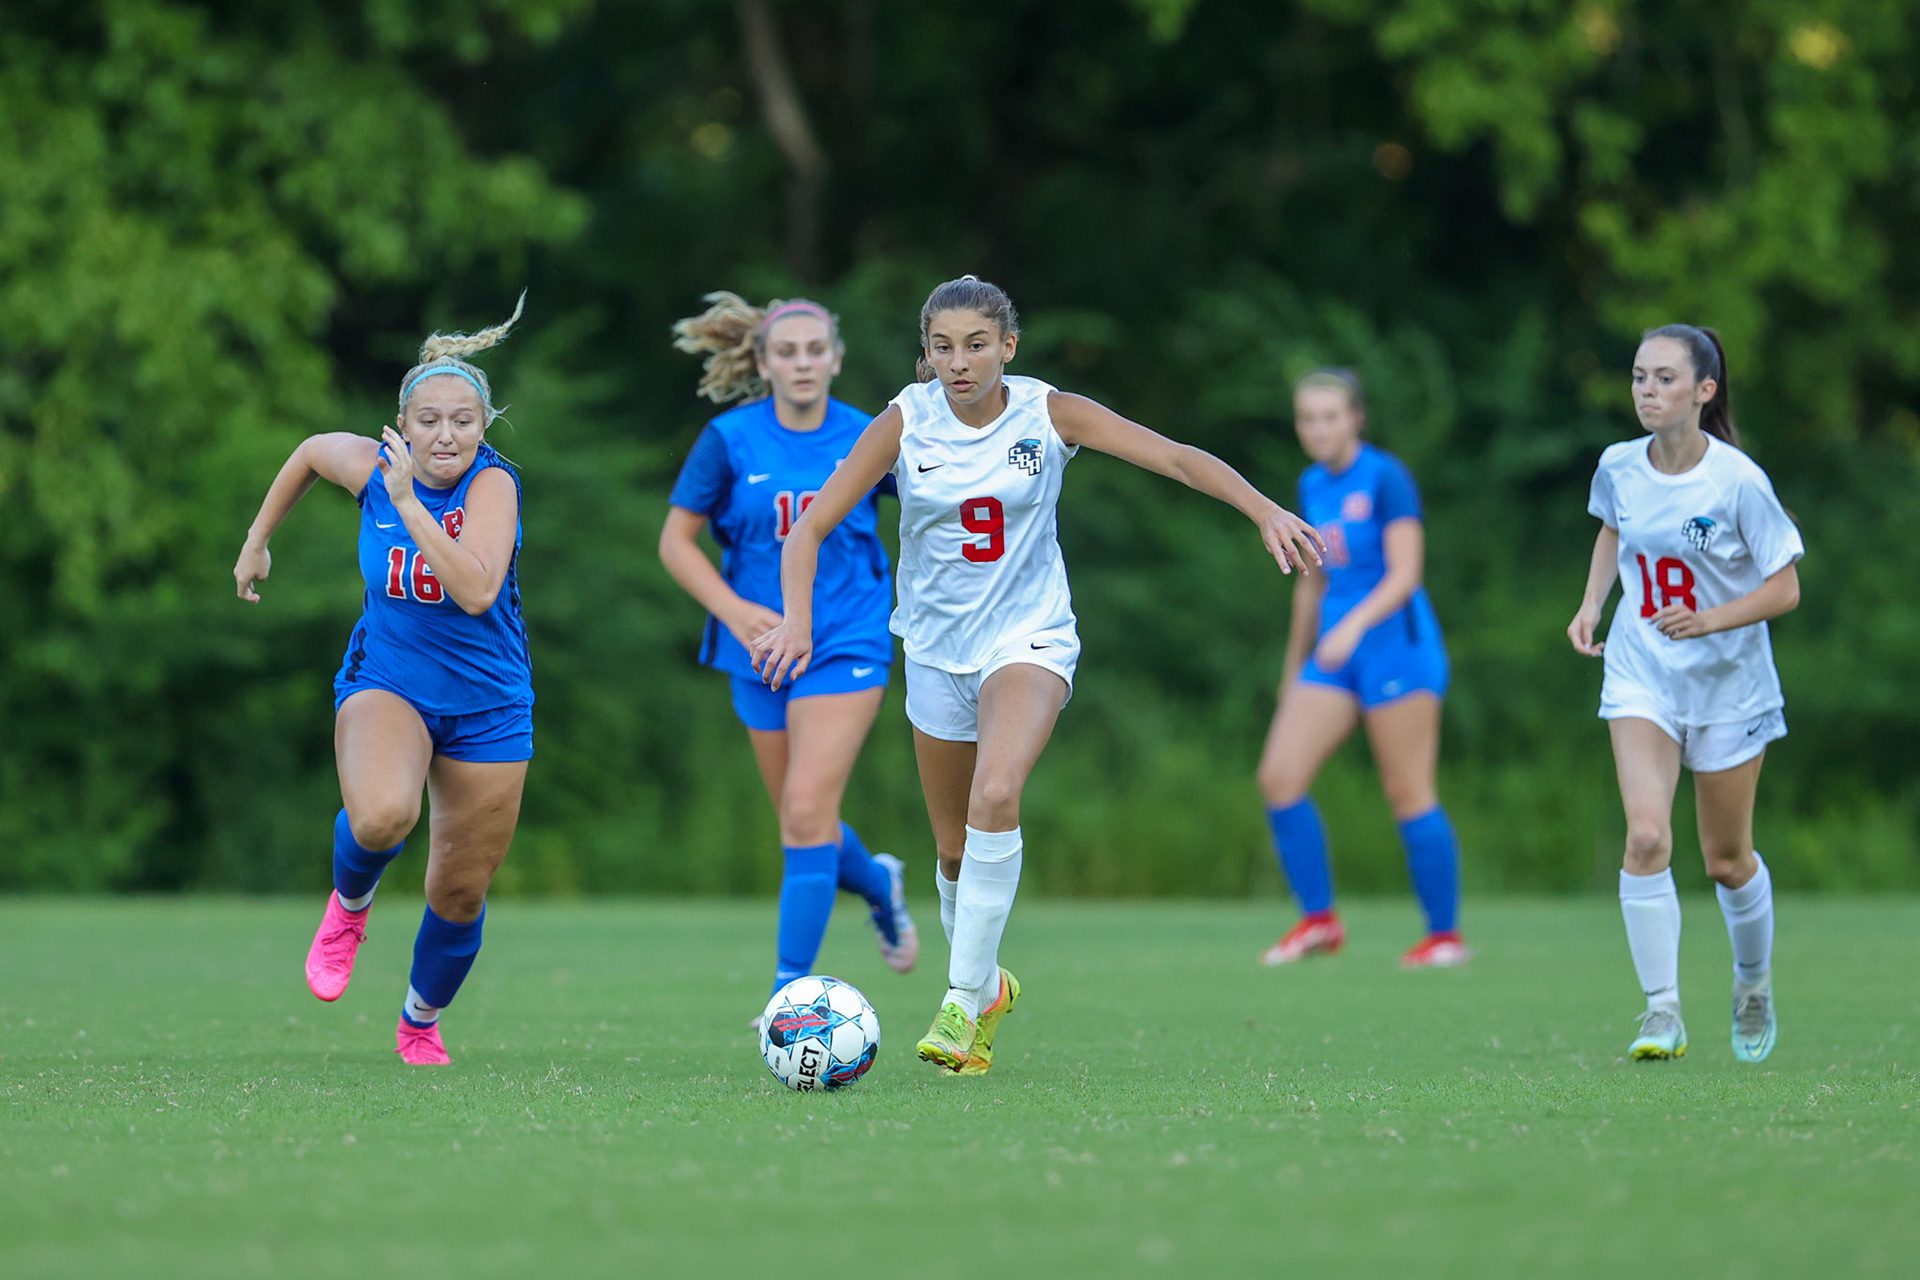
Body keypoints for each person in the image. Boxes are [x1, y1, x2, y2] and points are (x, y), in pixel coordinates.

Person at [750, 275, 1324, 1075]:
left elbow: (1176, 457)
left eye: (976, 345)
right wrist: (798, 618)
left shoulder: (1047, 413)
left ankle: (956, 1001)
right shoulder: (903, 422)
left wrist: (1261, 507)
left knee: (996, 794)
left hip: (1029, 641)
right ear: (927, 354)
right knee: (952, 852)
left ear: (1008, 348)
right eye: (943, 347)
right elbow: (808, 529)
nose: (960, 362)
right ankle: (987, 988)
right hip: (933, 651)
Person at [233, 297, 534, 1067]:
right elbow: (306, 451)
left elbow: (474, 590)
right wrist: (257, 541)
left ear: (484, 425)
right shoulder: (371, 465)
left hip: (490, 706)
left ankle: (419, 1020)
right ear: (401, 424)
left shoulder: (494, 489)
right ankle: (350, 906)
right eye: (428, 420)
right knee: (379, 820)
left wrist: (408, 502)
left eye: (463, 421)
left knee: (459, 893)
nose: (445, 435)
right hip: (390, 682)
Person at [659, 293, 917, 1018]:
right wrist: (739, 614)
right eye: (787, 352)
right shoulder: (729, 440)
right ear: (764, 363)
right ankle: (878, 885)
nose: (802, 363)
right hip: (759, 654)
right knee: (807, 822)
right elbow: (675, 542)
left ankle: (788, 995)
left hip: (846, 639)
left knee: (806, 811)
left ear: (836, 358)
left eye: (815, 350)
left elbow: (935, 511)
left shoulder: (870, 435)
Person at [1567, 324, 1802, 1063]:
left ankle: (1753, 982)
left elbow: (1785, 588)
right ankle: (1661, 1011)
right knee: (1645, 837)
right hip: (1643, 675)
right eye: (1639, 376)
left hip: (1730, 684)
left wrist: (1710, 621)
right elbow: (1613, 529)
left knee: (1726, 860)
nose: (1646, 390)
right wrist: (1592, 605)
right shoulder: (1618, 465)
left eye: (1665, 378)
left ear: (1704, 391)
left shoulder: (1736, 481)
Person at [1255, 370, 1466, 968]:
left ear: (1355, 419)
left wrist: (1351, 624)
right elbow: (1311, 582)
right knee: (1279, 777)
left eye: (1330, 416)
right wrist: (1293, 664)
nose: (1318, 428)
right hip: (1331, 657)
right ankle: (1319, 921)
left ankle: (1445, 936)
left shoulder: (1385, 477)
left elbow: (1406, 574)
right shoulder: (1311, 483)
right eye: (1307, 418)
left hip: (1395, 647)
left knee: (1407, 791)